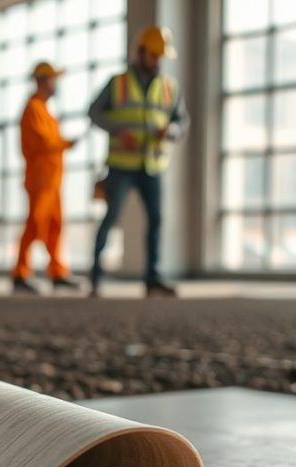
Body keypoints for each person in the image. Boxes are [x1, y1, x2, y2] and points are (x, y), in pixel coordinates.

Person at [88, 26, 190, 298]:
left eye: (160, 56)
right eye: (153, 55)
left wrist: (171, 131)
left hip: (152, 165)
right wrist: (119, 131)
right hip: (122, 165)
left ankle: (152, 278)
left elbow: (182, 121)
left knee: (156, 220)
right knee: (110, 219)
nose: (157, 60)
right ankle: (96, 277)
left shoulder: (169, 87)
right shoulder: (118, 83)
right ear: (141, 52)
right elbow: (94, 112)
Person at [10, 62, 81, 295]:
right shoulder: (33, 109)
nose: (55, 84)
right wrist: (65, 143)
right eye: (52, 79)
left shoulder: (45, 111)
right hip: (40, 180)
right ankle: (20, 273)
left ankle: (57, 272)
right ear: (42, 81)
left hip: (52, 180)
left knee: (54, 226)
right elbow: (42, 142)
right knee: (35, 224)